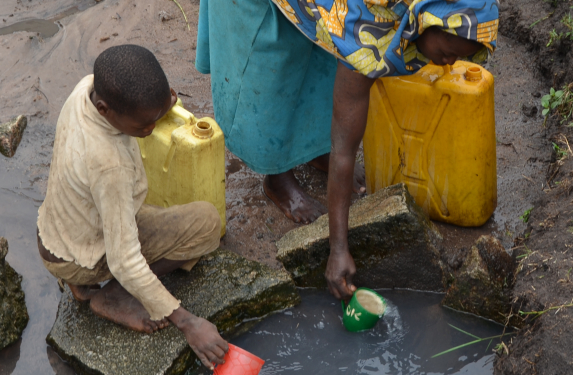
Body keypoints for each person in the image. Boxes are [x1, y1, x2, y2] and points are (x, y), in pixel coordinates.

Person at [197, 0, 500, 298]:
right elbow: (345, 151)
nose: (448, 64)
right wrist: (338, 249)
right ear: (427, 21)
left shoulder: (406, 13)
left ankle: (312, 148)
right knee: (271, 61)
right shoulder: (367, 35)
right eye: (447, 54)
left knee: (323, 54)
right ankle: (276, 174)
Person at [36, 45, 228, 368]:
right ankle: (113, 296)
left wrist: (159, 107)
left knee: (150, 214)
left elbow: (144, 104)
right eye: (144, 126)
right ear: (105, 110)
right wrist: (188, 323)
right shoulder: (109, 167)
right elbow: (124, 260)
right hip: (84, 256)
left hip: (56, 235)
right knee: (207, 225)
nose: (151, 130)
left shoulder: (85, 89)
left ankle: (82, 286)